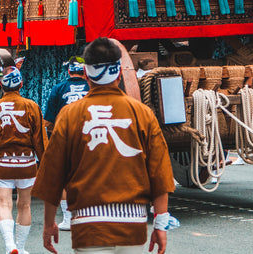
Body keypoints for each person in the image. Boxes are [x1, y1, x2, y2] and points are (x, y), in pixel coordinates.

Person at [34, 37, 173, 254]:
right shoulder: (142, 113)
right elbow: (160, 172)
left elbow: (53, 174)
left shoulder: (70, 114)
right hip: (132, 224)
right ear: (119, 73)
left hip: (88, 223)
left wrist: (49, 223)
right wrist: (160, 224)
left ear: (87, 73)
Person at [0, 66, 48, 254]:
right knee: (24, 204)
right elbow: (40, 139)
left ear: (1, 84)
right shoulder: (32, 106)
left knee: (4, 203)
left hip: (2, 162)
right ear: (21, 84)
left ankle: (10, 245)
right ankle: (21, 246)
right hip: (26, 163)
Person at [44, 57, 91, 230]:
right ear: (84, 72)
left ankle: (68, 218)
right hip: (90, 137)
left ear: (69, 72)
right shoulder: (92, 88)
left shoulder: (58, 88)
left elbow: (48, 120)